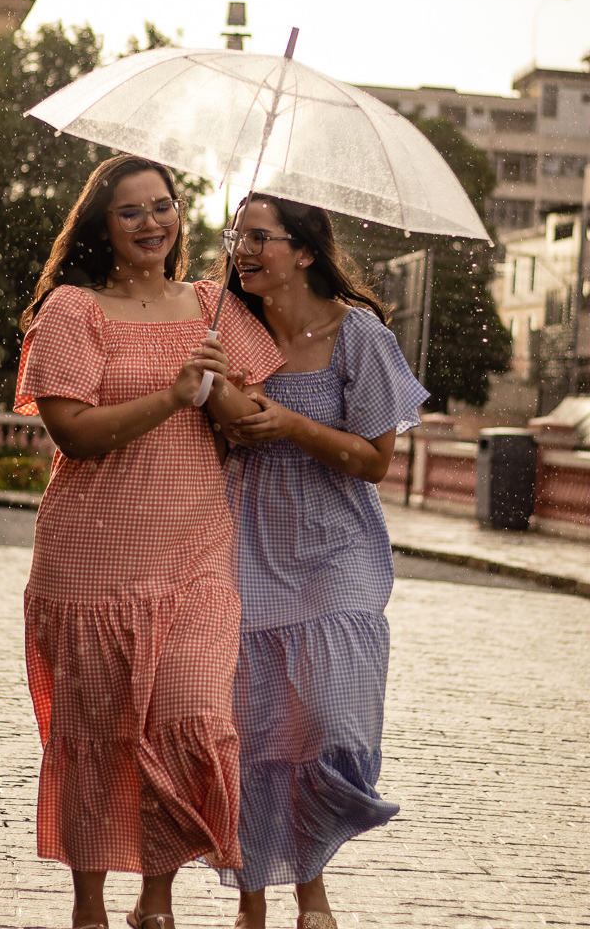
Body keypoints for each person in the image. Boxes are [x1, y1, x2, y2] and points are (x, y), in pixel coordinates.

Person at [14, 156, 284, 929]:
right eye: (129, 211)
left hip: (194, 551)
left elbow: (251, 420)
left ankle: (156, 898)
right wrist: (171, 395)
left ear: (179, 214)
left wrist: (215, 387)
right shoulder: (74, 310)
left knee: (193, 719)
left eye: (161, 206)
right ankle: (93, 908)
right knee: (99, 735)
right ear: (102, 225)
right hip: (92, 558)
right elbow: (73, 431)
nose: (150, 224)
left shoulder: (212, 305)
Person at [212, 196, 429, 929]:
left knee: (331, 725)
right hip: (246, 543)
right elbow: (213, 433)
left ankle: (312, 878)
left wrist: (294, 424)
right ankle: (259, 905)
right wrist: (222, 406)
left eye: (259, 236)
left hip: (337, 551)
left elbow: (373, 461)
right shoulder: (224, 327)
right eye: (236, 234)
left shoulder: (357, 334)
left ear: (304, 251)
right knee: (254, 726)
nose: (243, 248)